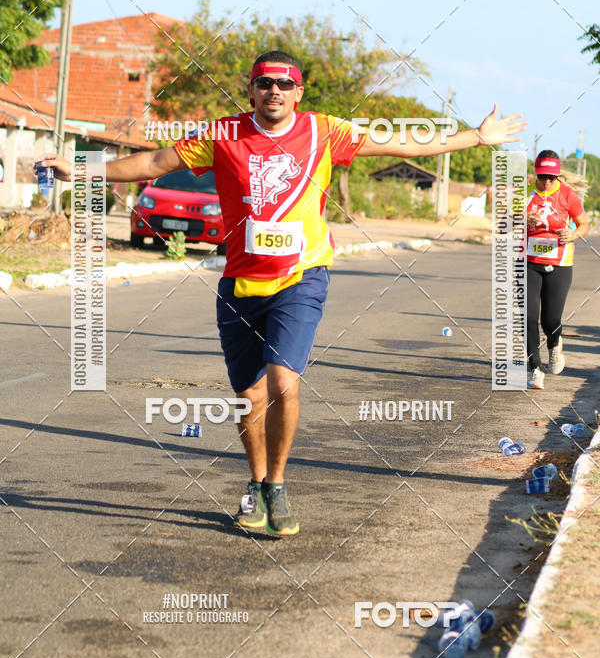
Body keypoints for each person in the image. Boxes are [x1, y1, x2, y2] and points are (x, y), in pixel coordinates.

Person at [39, 50, 526, 536]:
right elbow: (155, 160)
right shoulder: (223, 134)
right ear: (251, 89)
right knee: (248, 394)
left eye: (284, 84)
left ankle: (277, 484)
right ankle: (254, 484)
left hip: (301, 276)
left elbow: (401, 144)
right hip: (239, 283)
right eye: (265, 83)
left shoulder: (324, 132)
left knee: (283, 382)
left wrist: (476, 137)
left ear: (298, 92)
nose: (275, 90)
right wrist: (82, 170)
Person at [526, 150, 589, 389]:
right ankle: (535, 369)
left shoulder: (567, 195)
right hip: (529, 262)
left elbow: (584, 225)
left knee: (550, 319)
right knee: (529, 317)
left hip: (560, 263)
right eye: (543, 176)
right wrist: (522, 220)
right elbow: (504, 223)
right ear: (536, 173)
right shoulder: (525, 193)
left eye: (552, 177)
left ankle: (555, 344)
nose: (548, 181)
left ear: (557, 175)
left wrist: (572, 234)